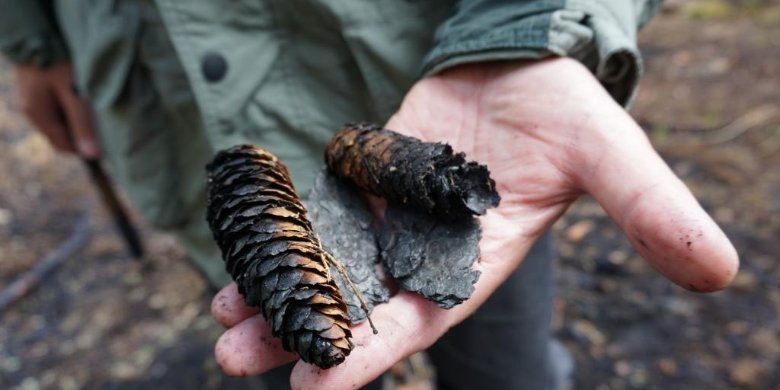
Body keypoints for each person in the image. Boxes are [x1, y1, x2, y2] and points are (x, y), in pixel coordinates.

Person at [1, 1, 739, 389]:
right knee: (281, 340)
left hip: (421, 66)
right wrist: (31, 37)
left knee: (506, 365)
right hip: (170, 102)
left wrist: (523, 31)